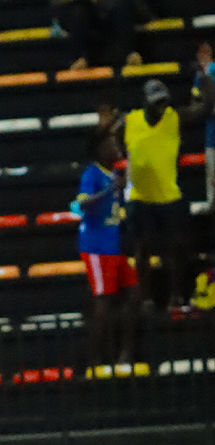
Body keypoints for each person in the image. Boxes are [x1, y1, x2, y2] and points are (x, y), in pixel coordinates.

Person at [74, 134, 139, 367]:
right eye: (109, 143)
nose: (114, 146)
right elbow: (82, 204)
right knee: (102, 302)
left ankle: (125, 352)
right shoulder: (92, 173)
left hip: (113, 246)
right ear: (99, 148)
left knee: (134, 293)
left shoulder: (114, 174)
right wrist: (110, 189)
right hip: (96, 247)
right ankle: (95, 359)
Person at [123, 79, 186, 310]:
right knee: (142, 249)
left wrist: (206, 74)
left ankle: (175, 297)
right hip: (140, 196)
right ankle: (144, 297)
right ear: (145, 102)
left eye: (162, 101)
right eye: (155, 102)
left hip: (168, 195)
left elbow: (206, 106)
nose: (160, 106)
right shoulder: (130, 120)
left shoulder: (173, 117)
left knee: (175, 249)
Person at [51, 0, 138, 70]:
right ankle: (78, 59)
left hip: (108, 7)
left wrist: (106, 0)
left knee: (121, 6)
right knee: (78, 11)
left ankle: (129, 54)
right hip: (82, 8)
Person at [194, 42, 213, 207]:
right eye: (200, 53)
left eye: (206, 53)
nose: (203, 56)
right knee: (211, 172)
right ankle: (212, 202)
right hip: (210, 134)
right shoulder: (199, 76)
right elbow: (196, 99)